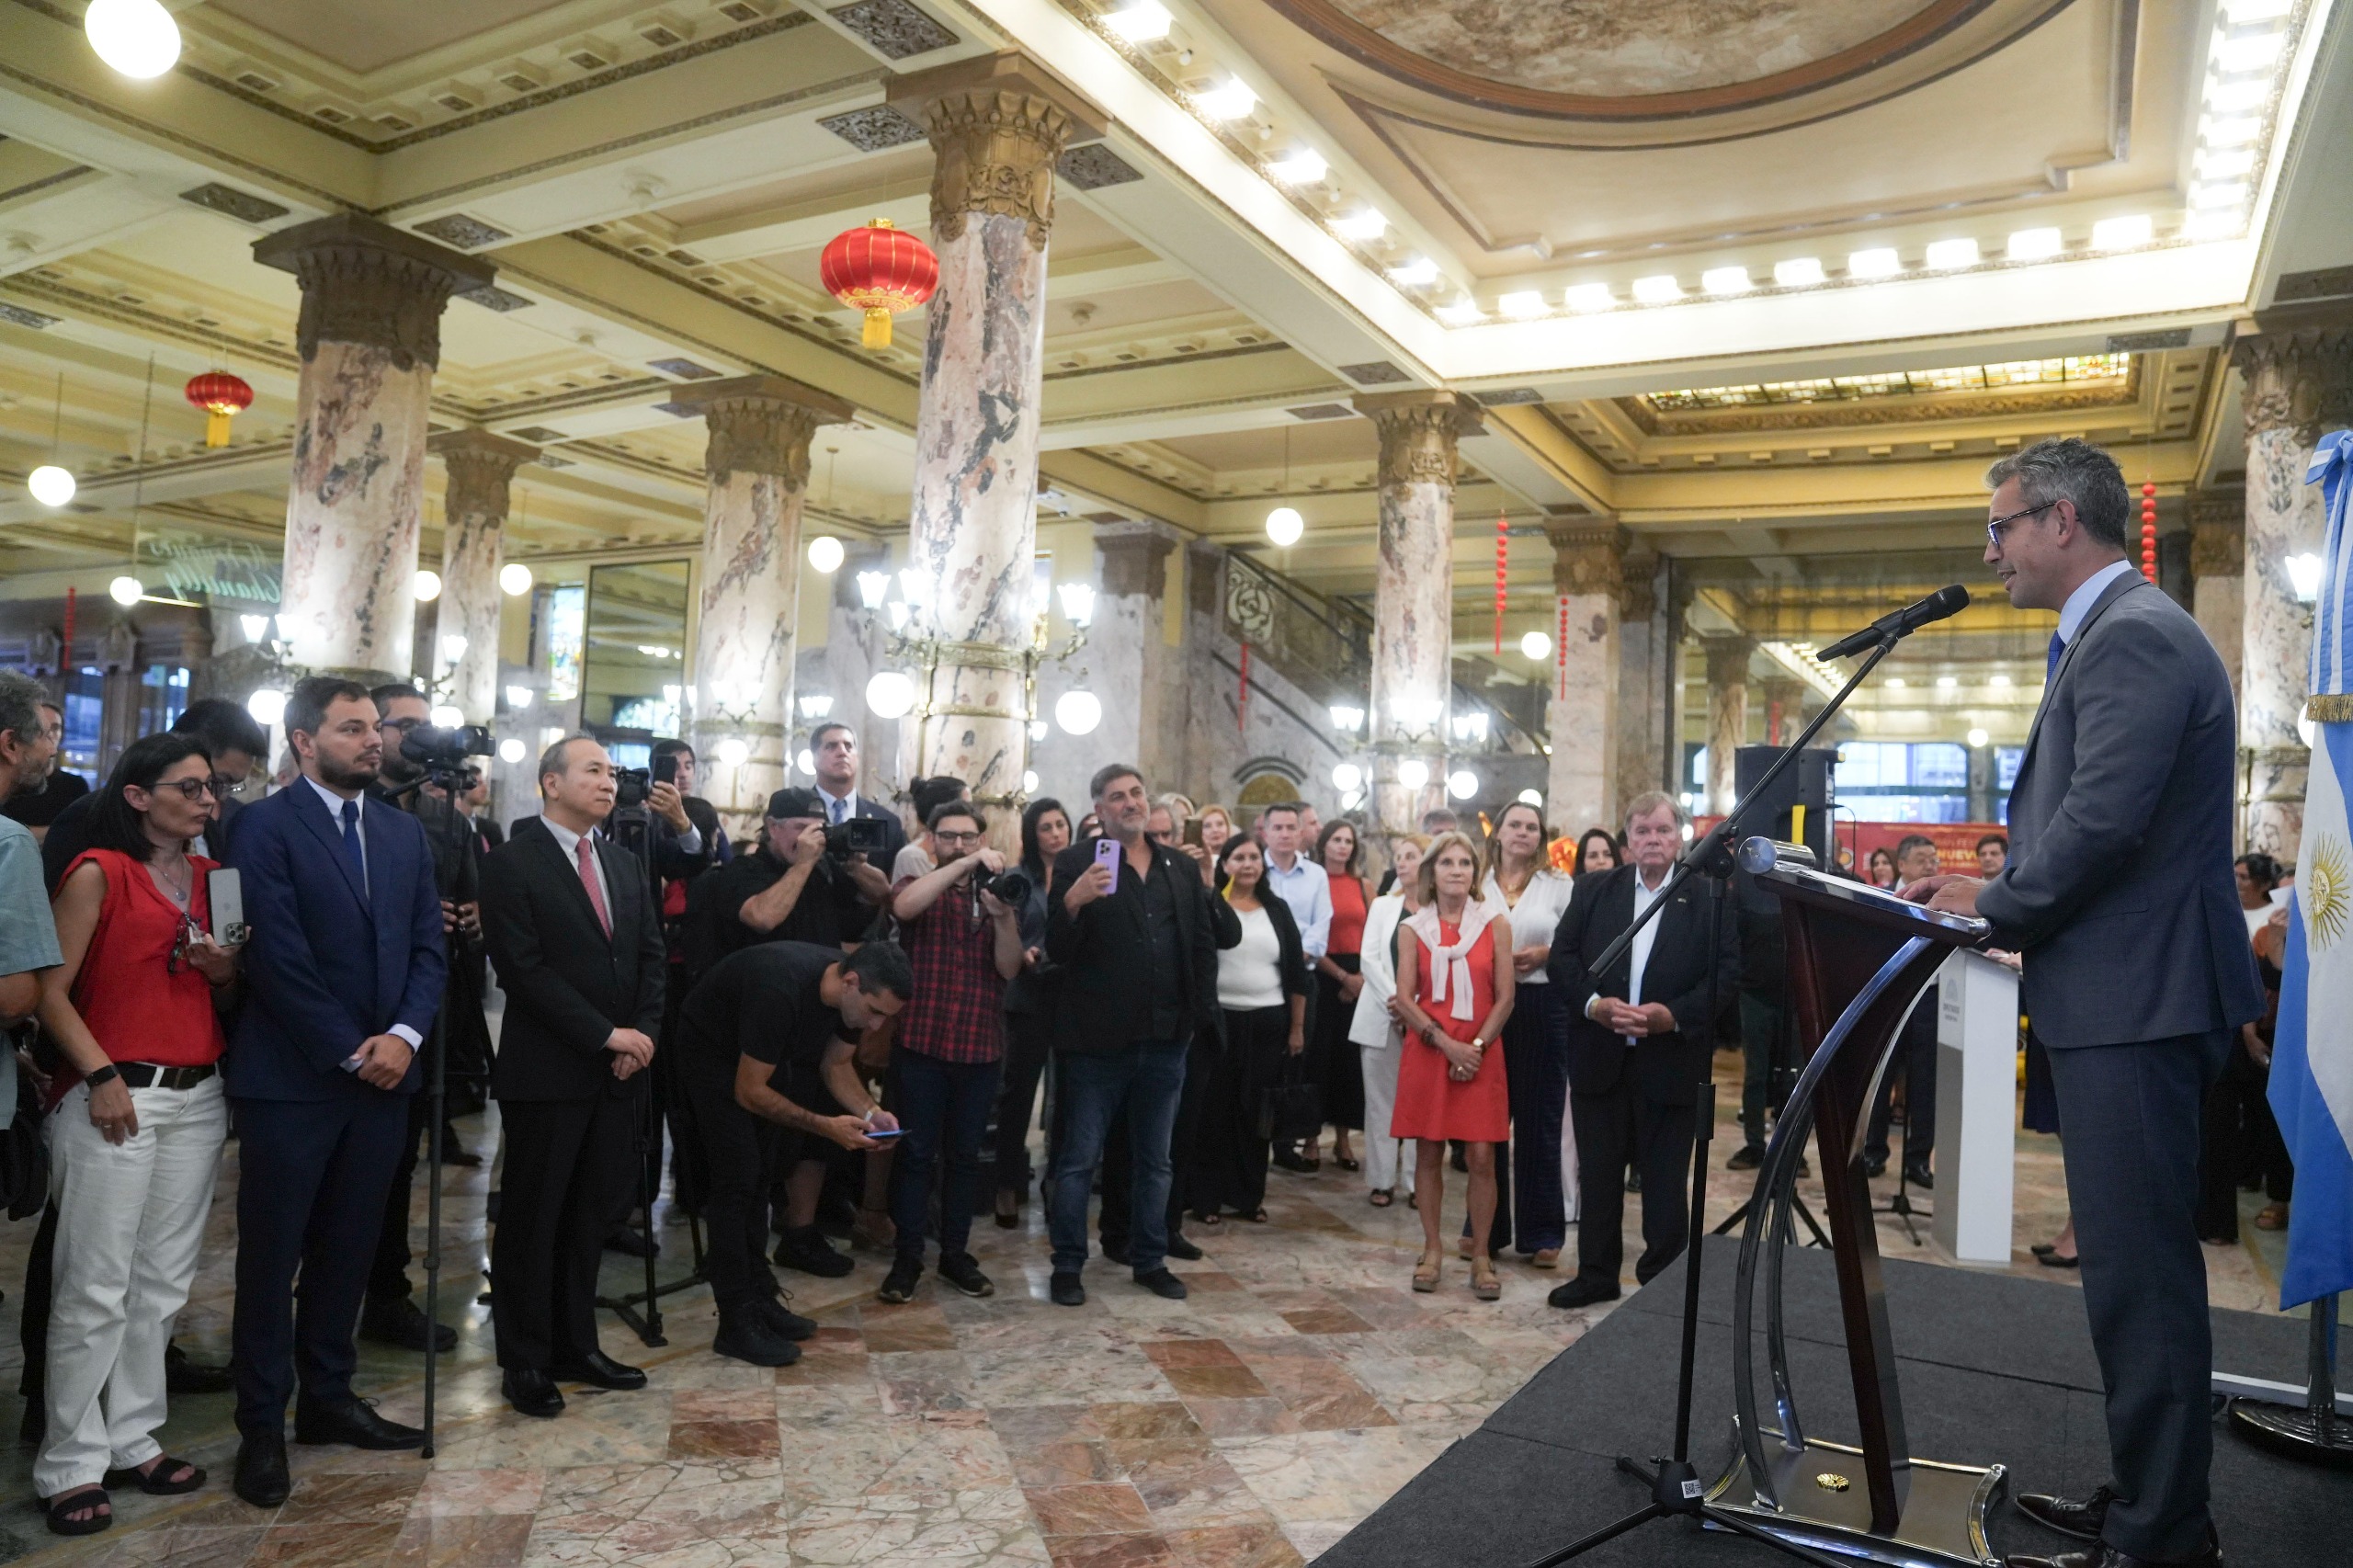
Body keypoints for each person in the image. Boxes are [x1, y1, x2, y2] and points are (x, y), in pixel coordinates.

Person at [1914, 437, 2259, 1568]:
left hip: (2141, 1000)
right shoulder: (2114, 634)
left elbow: (2104, 823)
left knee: (2142, 1281)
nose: (1991, 547)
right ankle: (2150, 1500)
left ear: (2062, 520)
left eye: (2002, 523)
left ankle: (2164, 1538)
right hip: (2122, 994)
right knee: (2126, 1273)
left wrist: (1995, 896)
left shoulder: (2136, 637)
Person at [220, 676, 447, 1507]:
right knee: (272, 1256)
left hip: (388, 1079)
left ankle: (328, 1397)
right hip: (297, 1079)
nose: (372, 741)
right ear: (304, 740)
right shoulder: (262, 826)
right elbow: (274, 955)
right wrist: (354, 1051)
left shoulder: (402, 833)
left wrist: (406, 1038)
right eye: (352, 729)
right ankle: (261, 1427)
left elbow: (430, 948)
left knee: (349, 1252)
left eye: (374, 728)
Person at [30, 733, 239, 1534]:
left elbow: (226, 984)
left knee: (160, 1285)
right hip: (115, 1093)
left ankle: (133, 1435)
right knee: (94, 1284)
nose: (205, 799)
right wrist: (101, 1075)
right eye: (188, 787)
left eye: (210, 786)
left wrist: (222, 967)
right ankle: (69, 1461)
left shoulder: (219, 880)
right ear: (138, 796)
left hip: (197, 1092)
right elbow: (49, 993)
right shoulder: (98, 873)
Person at [477, 735, 667, 1418]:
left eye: (612, 773)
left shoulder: (620, 861)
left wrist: (640, 1035)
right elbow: (522, 970)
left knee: (590, 1217)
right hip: (550, 1070)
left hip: (621, 1071)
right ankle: (524, 1359)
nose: (608, 782)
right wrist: (602, 1033)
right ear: (550, 783)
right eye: (593, 770)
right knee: (534, 1219)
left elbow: (651, 955)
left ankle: (576, 1344)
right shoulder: (513, 863)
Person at [1545, 792, 1740, 1311]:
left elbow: (1726, 977)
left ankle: (1663, 1285)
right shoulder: (1592, 890)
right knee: (1600, 1175)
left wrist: (1671, 1016)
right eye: (1641, 831)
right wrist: (1592, 1006)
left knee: (1664, 1181)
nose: (1652, 840)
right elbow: (1562, 959)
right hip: (1600, 1058)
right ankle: (1596, 1275)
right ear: (1626, 840)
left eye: (1662, 831)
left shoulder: (1709, 896)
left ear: (1682, 838)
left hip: (1670, 1062)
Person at [675, 941, 909, 1365]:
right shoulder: (778, 988)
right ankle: (735, 1321)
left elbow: (836, 1066)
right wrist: (825, 1125)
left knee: (765, 1172)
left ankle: (758, 1295)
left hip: (760, 1062)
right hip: (709, 1054)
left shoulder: (850, 1001)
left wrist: (871, 1113)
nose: (875, 1026)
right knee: (738, 1179)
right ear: (852, 982)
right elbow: (748, 1091)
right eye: (875, 1012)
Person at [1042, 764, 1222, 1307]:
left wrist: (1197, 1017)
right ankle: (1068, 1266)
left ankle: (1149, 1259)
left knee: (1156, 1159)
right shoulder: (1077, 861)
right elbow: (1056, 949)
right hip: (1097, 1043)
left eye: (1136, 793)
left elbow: (1200, 946)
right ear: (1098, 810)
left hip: (1167, 1038)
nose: (1130, 803)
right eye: (1116, 797)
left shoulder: (1178, 867)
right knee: (1078, 1159)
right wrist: (1072, 901)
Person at [357, 685, 480, 1351]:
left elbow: (467, 914)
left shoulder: (443, 820)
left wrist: (470, 919)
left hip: (416, 1019)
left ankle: (386, 1293)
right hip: (344, 1021)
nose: (418, 740)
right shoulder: (350, 809)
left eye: (426, 728)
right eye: (405, 727)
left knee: (398, 1164)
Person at [878, 801, 1024, 1303]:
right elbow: (902, 908)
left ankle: (955, 1256)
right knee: (916, 1156)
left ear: (984, 839)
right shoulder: (923, 884)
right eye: (948, 837)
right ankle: (907, 1260)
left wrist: (1004, 918)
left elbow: (1008, 970)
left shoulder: (1002, 895)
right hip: (923, 1043)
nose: (959, 845)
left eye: (968, 838)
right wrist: (959, 867)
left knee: (964, 1160)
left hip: (980, 1048)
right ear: (933, 841)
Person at [1390, 832, 1514, 1300]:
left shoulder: (1494, 924)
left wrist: (1475, 1047)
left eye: (1465, 862)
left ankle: (1481, 1253)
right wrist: (1445, 1045)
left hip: (1482, 1049)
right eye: (1447, 863)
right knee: (1428, 1151)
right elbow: (1405, 997)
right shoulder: (1412, 928)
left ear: (1475, 873)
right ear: (1431, 872)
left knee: (1482, 1155)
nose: (1457, 870)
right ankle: (1432, 1249)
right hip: (1430, 1049)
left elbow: (1505, 997)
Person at [1190, 836, 1308, 1224]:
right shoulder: (1212, 905)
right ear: (1224, 864)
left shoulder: (1277, 909)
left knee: (1255, 1113)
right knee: (1213, 1111)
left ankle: (1247, 1196)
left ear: (1263, 865)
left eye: (1254, 857)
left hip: (1268, 1022)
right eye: (1238, 857)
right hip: (1220, 1021)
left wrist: (1296, 1027)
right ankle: (1206, 1199)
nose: (1247, 864)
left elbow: (1296, 975)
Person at [1480, 802, 1577, 1267]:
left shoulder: (1558, 885)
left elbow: (1576, 943)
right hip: (1485, 1008)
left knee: (1539, 1122)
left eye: (1531, 827)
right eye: (1514, 824)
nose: (1522, 833)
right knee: (1488, 1120)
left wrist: (1544, 954)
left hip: (1541, 1003)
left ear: (1541, 837)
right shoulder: (1477, 882)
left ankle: (1542, 1232)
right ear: (1497, 832)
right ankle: (1484, 1227)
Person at [42, 699, 267, 889]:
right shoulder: (86, 820)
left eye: (226, 785)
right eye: (218, 781)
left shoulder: (209, 829)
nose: (215, 798)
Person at [685, 787, 888, 983]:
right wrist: (804, 863)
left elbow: (881, 895)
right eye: (800, 827)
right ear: (773, 828)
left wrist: (856, 867)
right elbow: (763, 918)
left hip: (820, 988)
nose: (810, 837)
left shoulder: (823, 867)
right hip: (768, 989)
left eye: (818, 828)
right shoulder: (744, 869)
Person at [992, 797, 1071, 1226]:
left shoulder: (1083, 874)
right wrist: (1024, 953)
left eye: (1061, 825)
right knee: (1018, 1096)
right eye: (1047, 827)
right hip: (1028, 995)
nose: (1057, 833)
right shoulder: (1018, 879)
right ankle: (1006, 1184)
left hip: (1073, 997)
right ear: (1032, 834)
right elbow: (1003, 930)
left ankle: (1056, 1180)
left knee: (1068, 1097)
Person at [1862, 834, 1942, 1187]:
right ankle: (1872, 1152)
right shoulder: (1882, 897)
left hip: (1932, 998)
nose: (1932, 865)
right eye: (1924, 859)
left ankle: (1918, 1160)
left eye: (1934, 859)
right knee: (1880, 1078)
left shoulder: (1945, 900)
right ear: (1904, 864)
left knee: (1925, 1083)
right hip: (1890, 996)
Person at [1351, 835, 1426, 1207]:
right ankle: (1381, 1180)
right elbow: (1369, 959)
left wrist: (1416, 1010)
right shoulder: (1383, 905)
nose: (1402, 863)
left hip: (1426, 1018)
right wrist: (1396, 1003)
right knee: (1381, 1101)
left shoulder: (1438, 908)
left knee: (1418, 1101)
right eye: (1398, 857)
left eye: (1411, 856)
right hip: (1382, 1013)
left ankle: (1416, 1182)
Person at [1256, 803, 1331, 1171]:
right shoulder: (1255, 870)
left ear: (1301, 832)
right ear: (1265, 832)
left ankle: (1286, 1143)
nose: (1285, 834)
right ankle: (1253, 1138)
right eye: (1278, 827)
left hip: (1301, 974)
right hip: (1260, 975)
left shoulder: (1316, 875)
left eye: (1291, 827)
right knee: (1261, 1059)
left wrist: (1294, 955)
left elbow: (1321, 926)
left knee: (1296, 1058)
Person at [1311, 820, 1369, 1172]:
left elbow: (1376, 933)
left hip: (1358, 976)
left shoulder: (1363, 885)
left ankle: (1344, 1139)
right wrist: (1342, 976)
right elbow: (1308, 936)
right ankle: (1311, 1139)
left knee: (1349, 1063)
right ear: (1324, 844)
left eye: (1348, 841)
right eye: (1336, 839)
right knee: (1319, 1058)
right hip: (1322, 973)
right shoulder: (1314, 881)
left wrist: (1359, 977)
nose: (1342, 846)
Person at [807, 722, 909, 872]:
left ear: (857, 758)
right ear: (814, 758)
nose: (842, 752)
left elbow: (896, 887)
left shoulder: (886, 822)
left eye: (848, 746)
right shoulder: (796, 813)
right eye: (831, 746)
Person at [1, 701, 84, 842]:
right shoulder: (13, 781)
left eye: (55, 728)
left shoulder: (75, 785)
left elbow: (80, 831)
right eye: (41, 731)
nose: (50, 735)